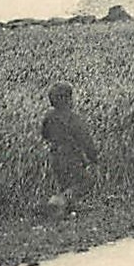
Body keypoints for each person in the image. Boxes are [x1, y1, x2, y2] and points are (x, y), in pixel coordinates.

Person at [40, 82, 99, 215]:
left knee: (65, 182)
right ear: (67, 99)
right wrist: (93, 157)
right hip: (71, 156)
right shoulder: (72, 118)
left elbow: (44, 134)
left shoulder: (48, 117)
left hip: (55, 156)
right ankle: (58, 201)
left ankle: (67, 208)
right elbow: (85, 140)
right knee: (86, 181)